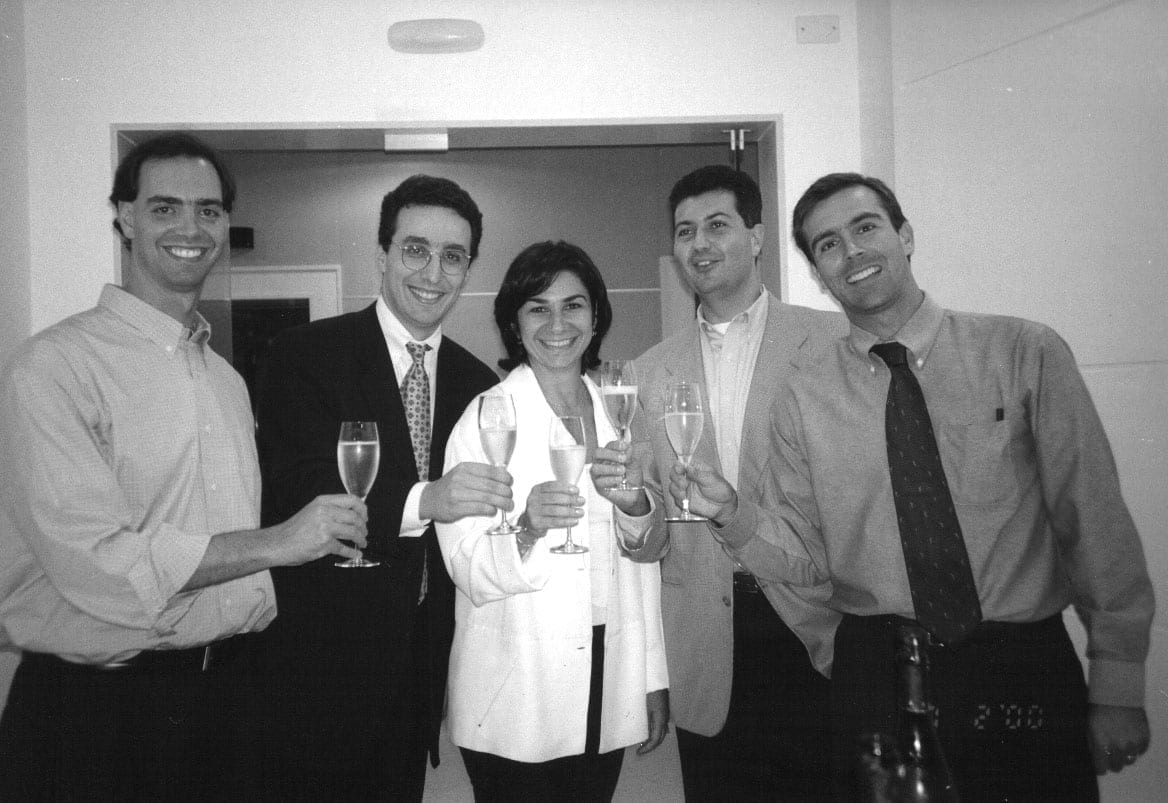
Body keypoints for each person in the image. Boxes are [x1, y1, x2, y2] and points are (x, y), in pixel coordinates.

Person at [683, 172, 1155, 799]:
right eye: (828, 245)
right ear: (818, 274)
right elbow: (804, 552)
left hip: (1018, 663)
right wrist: (733, 513)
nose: (851, 252)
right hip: (878, 676)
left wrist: (1117, 683)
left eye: (866, 227)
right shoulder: (805, 393)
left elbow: (1093, 521)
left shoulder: (1022, 352)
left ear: (905, 236)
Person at [0, 132, 368, 801]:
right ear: (125, 216)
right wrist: (281, 542)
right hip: (96, 715)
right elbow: (102, 563)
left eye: (208, 210)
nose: (190, 228)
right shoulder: (54, 366)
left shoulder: (227, 380)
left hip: (226, 701)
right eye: (165, 207)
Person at [251, 174, 505, 801]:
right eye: (416, 249)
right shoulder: (304, 354)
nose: (434, 273)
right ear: (382, 255)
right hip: (317, 669)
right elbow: (299, 486)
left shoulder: (478, 385)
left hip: (417, 673)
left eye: (454, 256)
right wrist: (427, 500)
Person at [613, 165, 846, 801]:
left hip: (811, 621)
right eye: (685, 231)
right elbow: (653, 539)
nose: (699, 244)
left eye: (717, 225)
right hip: (702, 637)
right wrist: (634, 508)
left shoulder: (831, 343)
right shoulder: (649, 371)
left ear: (757, 236)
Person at [436, 240, 669, 802]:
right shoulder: (485, 418)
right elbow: (466, 568)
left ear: (596, 318)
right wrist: (528, 529)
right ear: (515, 325)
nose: (558, 323)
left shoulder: (619, 411)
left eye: (574, 305)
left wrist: (652, 677)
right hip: (514, 685)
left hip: (609, 670)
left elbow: (645, 564)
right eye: (538, 308)